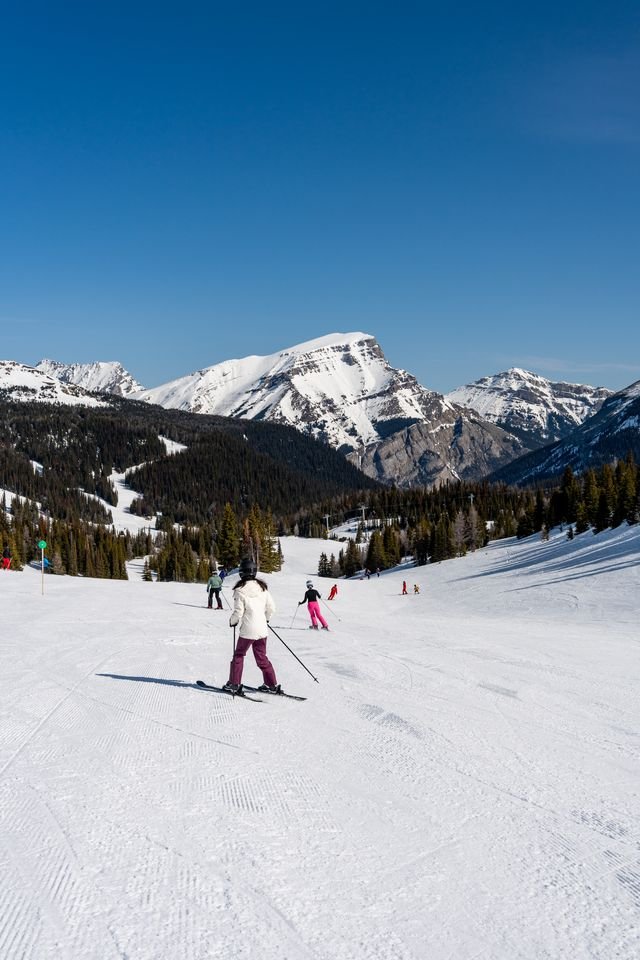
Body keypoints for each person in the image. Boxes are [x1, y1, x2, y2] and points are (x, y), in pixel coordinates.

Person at [223, 557, 279, 694]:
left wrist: (233, 621)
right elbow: (271, 608)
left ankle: (234, 684)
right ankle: (271, 685)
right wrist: (266, 619)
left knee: (239, 655)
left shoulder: (240, 590)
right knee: (262, 657)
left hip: (248, 630)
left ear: (241, 572)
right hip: (262, 629)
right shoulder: (263, 588)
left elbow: (238, 612)